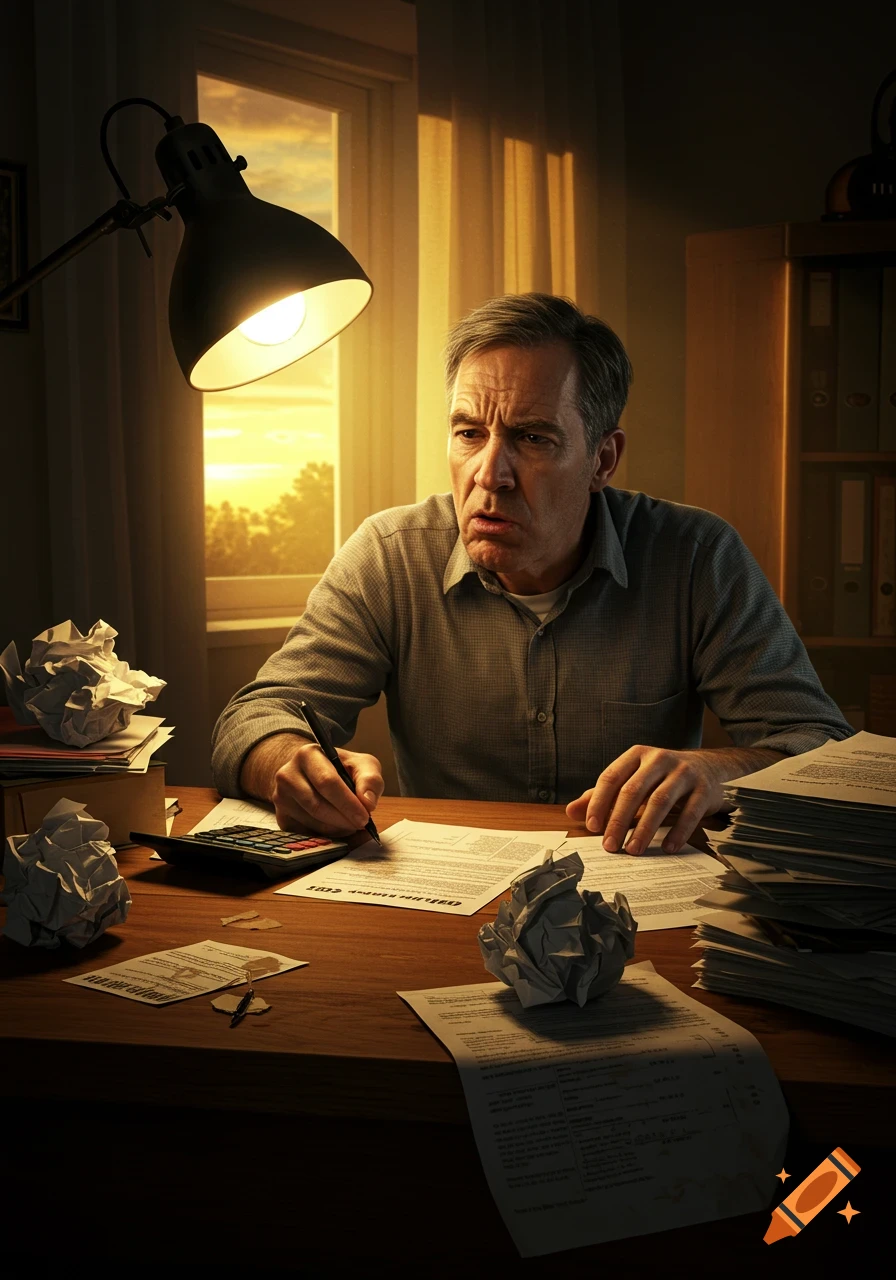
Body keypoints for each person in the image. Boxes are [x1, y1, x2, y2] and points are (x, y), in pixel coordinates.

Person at [211, 293, 852, 857]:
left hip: (634, 893)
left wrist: (719, 773)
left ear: (603, 459)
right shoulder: (389, 554)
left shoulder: (695, 557)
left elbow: (823, 749)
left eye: (533, 439)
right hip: (445, 894)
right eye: (469, 433)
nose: (490, 475)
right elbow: (254, 718)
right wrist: (289, 763)